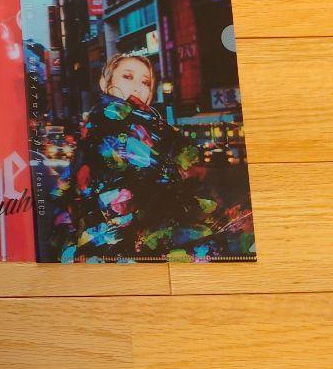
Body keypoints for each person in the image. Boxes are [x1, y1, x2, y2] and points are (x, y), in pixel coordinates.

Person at [53, 53, 240, 261]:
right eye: (127, 76)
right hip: (115, 247)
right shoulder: (114, 124)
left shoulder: (129, 123)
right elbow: (172, 175)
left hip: (111, 243)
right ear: (105, 83)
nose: (138, 87)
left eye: (145, 82)